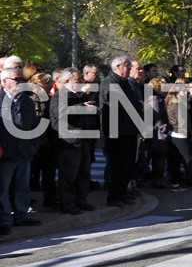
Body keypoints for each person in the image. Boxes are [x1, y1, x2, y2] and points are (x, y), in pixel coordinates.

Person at [0, 67, 42, 235]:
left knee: (23, 187)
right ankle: (4, 219)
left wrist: (33, 146)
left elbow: (33, 126)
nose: (19, 83)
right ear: (5, 82)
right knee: (2, 189)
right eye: (16, 80)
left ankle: (21, 215)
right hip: (5, 153)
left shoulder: (26, 100)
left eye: (21, 80)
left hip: (24, 152)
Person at [50, 68, 98, 214]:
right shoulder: (60, 96)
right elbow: (62, 112)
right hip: (69, 141)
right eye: (78, 80)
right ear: (67, 81)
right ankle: (67, 204)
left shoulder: (81, 96)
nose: (82, 82)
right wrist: (83, 107)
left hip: (83, 140)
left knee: (84, 174)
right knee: (69, 175)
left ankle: (81, 200)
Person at [99, 56, 143, 208]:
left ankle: (122, 193)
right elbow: (117, 104)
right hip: (116, 131)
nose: (130, 69)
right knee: (117, 166)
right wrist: (138, 106)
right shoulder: (110, 82)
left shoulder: (124, 83)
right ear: (118, 66)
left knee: (127, 165)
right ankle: (114, 196)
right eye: (128, 66)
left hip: (128, 130)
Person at [28, 72, 58, 208]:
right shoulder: (31, 100)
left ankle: (50, 199)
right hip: (37, 142)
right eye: (47, 86)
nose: (50, 88)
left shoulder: (47, 99)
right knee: (30, 174)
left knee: (49, 173)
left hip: (48, 142)